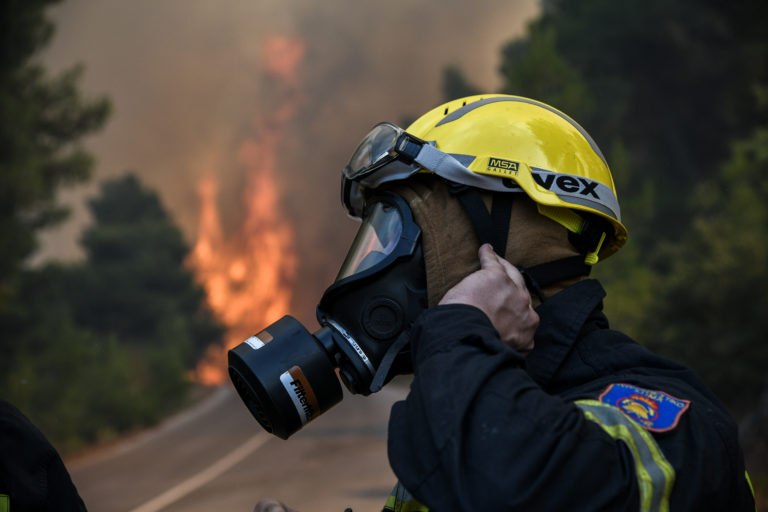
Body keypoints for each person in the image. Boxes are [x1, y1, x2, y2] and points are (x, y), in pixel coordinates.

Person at [255, 94, 756, 511]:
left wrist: (459, 328)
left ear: (506, 229)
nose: (382, 259)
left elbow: (514, 488)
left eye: (401, 226)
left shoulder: (675, 423)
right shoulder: (471, 402)